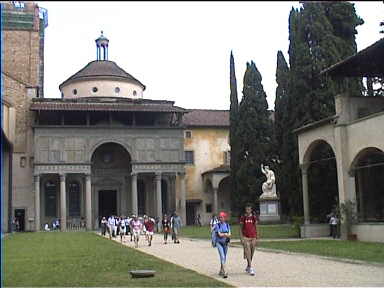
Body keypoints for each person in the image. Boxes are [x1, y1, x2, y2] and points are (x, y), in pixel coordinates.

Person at [239, 203, 258, 276]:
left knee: (252, 251)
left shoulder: (253, 217)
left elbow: (256, 227)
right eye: (247, 209)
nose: (248, 211)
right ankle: (251, 267)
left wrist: (257, 237)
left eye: (249, 209)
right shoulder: (243, 217)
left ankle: (248, 265)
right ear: (245, 210)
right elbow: (240, 228)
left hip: (253, 237)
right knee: (248, 250)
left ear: (251, 210)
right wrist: (241, 238)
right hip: (245, 237)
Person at [212, 211, 231, 278]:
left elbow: (230, 234)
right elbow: (219, 234)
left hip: (225, 243)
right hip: (219, 243)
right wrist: (225, 234)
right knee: (222, 256)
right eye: (220, 217)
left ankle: (221, 270)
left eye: (222, 217)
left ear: (225, 218)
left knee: (224, 257)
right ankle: (225, 272)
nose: (221, 218)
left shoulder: (227, 225)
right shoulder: (217, 225)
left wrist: (225, 235)